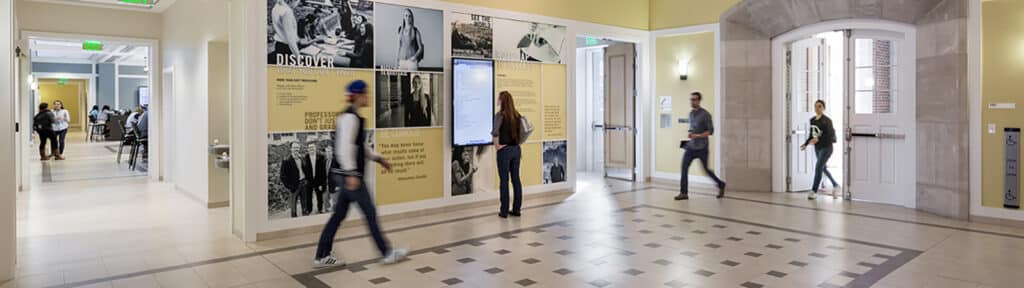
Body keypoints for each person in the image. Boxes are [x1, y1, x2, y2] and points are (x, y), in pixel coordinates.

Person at [314, 80, 407, 268]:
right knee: (370, 213)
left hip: (344, 174)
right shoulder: (350, 118)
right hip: (350, 175)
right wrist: (351, 174)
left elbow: (360, 146)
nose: (368, 96)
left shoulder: (352, 117)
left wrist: (378, 159)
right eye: (365, 93)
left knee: (338, 215)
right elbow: (343, 148)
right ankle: (387, 252)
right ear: (357, 96)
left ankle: (321, 256)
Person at [675, 92, 726, 200]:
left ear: (699, 100)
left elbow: (710, 131)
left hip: (702, 148)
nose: (692, 101)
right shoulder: (691, 114)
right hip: (690, 147)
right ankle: (684, 193)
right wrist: (690, 135)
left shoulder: (706, 114)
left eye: (694, 99)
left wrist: (697, 135)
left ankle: (721, 184)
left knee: (706, 170)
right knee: (684, 168)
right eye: (691, 99)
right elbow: (692, 129)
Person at [492, 91, 523, 218]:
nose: (497, 100)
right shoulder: (517, 115)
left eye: (499, 98)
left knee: (504, 181)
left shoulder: (500, 115)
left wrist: (497, 146)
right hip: (516, 150)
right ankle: (516, 209)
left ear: (502, 101)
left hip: (504, 152)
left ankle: (504, 211)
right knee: (516, 179)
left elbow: (495, 132)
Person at [801, 100, 839, 200]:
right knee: (823, 168)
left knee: (818, 167)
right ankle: (835, 185)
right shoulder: (812, 120)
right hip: (817, 148)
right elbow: (812, 134)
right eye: (816, 106)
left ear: (823, 108)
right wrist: (806, 144)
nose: (817, 109)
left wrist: (818, 139)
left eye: (819, 106)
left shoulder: (827, 120)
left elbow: (830, 136)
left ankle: (813, 191)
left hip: (827, 148)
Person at [280, 142, 311, 218]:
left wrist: (307, 180)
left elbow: (306, 170)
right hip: (294, 186)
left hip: (303, 183)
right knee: (293, 204)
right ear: (291, 149)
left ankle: (305, 217)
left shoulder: (302, 158)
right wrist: (290, 187)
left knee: (304, 203)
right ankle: (294, 219)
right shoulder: (286, 161)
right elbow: (282, 176)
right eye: (294, 148)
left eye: (297, 147)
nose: (296, 149)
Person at [306, 142, 327, 215]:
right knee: (308, 196)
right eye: (309, 148)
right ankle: (309, 210)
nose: (311, 149)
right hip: (309, 181)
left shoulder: (321, 157)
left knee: (319, 196)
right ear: (308, 149)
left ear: (315, 148)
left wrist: (322, 183)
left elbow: (323, 172)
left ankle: (320, 209)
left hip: (318, 181)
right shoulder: (305, 157)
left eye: (312, 147)